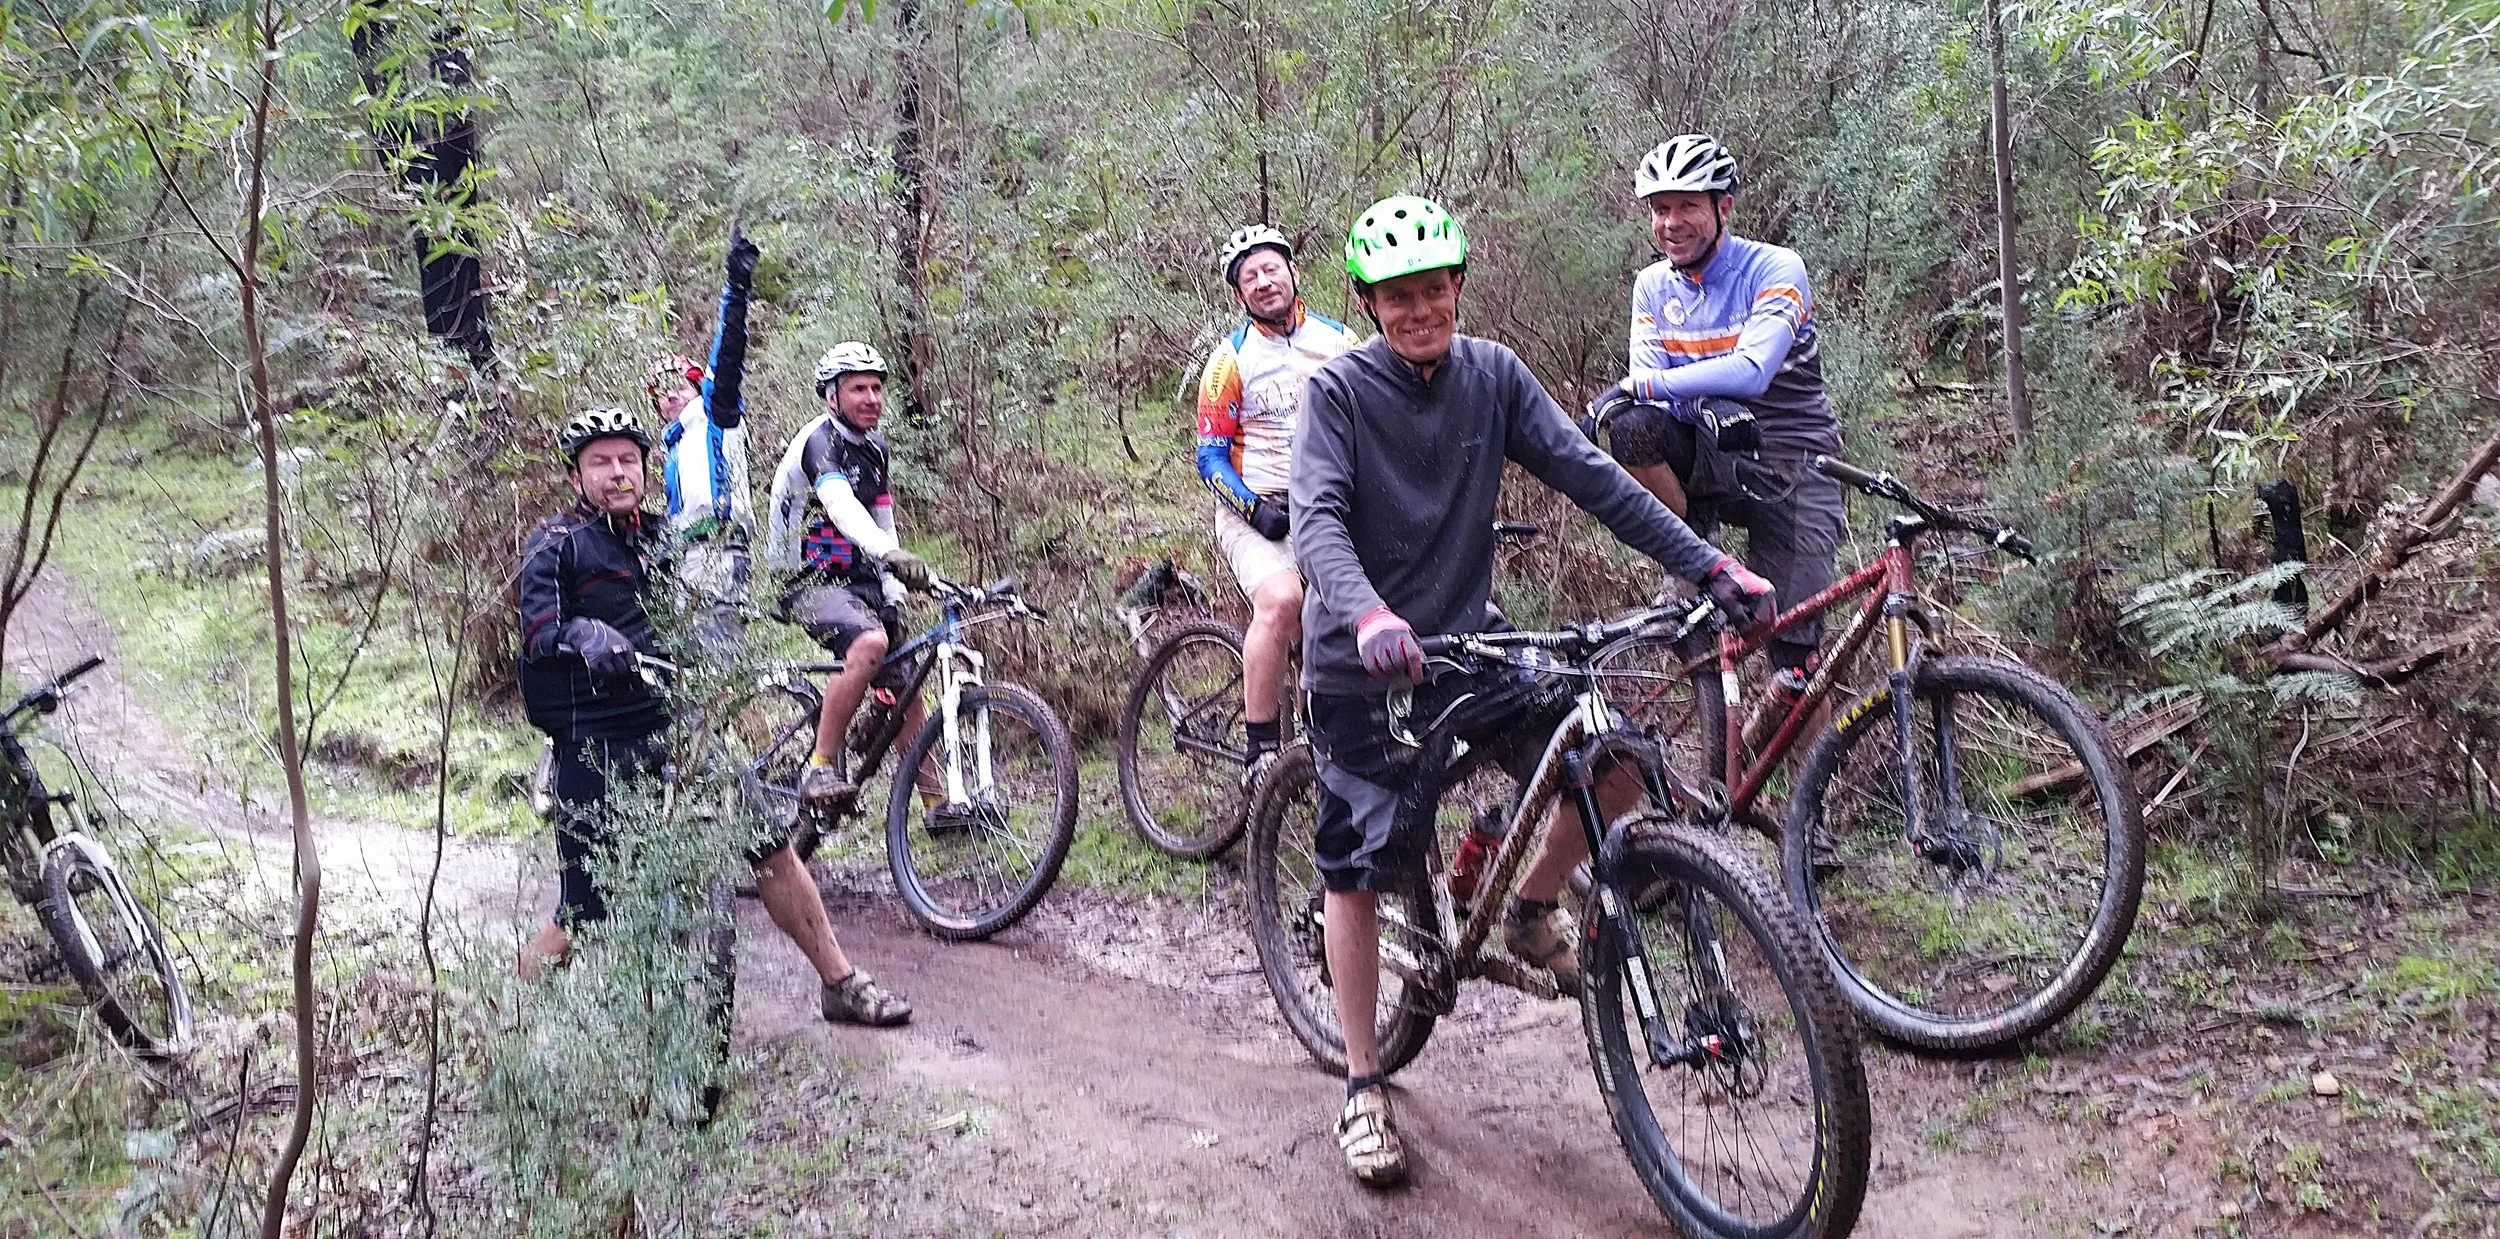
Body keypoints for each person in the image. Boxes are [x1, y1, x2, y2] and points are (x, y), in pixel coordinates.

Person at [1293, 194, 1777, 1186]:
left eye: (1434, 289)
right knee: (1358, 866)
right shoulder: (1338, 393)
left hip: (1469, 641)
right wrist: (1368, 615)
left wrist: (1708, 569)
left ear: (1458, 286)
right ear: (1368, 301)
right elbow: (1318, 522)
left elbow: (1590, 476)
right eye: (1397, 296)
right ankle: (1362, 1085)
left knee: (1617, 756)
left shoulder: (1492, 376)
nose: (1419, 309)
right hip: (1364, 658)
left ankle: (1529, 907)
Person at [516, 407, 911, 1025]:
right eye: (601, 462)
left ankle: (839, 982)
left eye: (628, 460)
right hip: (594, 741)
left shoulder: (664, 538)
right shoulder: (556, 545)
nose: (618, 473)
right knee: (584, 913)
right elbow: (541, 631)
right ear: (577, 477)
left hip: (679, 729)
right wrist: (587, 635)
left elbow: (708, 607)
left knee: (771, 850)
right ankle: (510, 1032)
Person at [1588, 134, 1847, 680]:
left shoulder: (1776, 269)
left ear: (1723, 207)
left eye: (1687, 206)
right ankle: (1690, 533)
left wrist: (1652, 387)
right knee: (1633, 429)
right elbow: (1648, 392)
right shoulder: (1653, 286)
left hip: (1793, 463)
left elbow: (1752, 372)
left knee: (1791, 658)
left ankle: (1812, 762)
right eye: (1660, 209)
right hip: (1711, 457)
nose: (1671, 222)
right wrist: (1667, 395)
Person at [1194, 224, 1358, 779]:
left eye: (1271, 269)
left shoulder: (1340, 342)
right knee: (1284, 601)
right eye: (1249, 277)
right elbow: (1209, 458)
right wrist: (1253, 510)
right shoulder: (1228, 361)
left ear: (1291, 272)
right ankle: (1260, 749)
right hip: (1254, 509)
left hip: (1327, 504)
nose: (1264, 282)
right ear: (1239, 293)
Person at [762, 341, 939, 811]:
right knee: (869, 644)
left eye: (877, 388)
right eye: (858, 388)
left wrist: (894, 588)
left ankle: (936, 804)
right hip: (803, 579)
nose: (871, 398)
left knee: (905, 679)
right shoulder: (819, 443)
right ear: (831, 397)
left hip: (858, 577)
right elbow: (840, 507)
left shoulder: (876, 449)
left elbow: (883, 521)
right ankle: (820, 767)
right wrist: (891, 553)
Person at [649, 227, 761, 644]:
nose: (669, 395)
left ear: (697, 386)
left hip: (721, 549)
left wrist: (736, 288)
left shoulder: (715, 414)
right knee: (689, 663)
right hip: (688, 558)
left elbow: (729, 352)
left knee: (718, 657)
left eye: (678, 384)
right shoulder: (675, 445)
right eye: (659, 393)